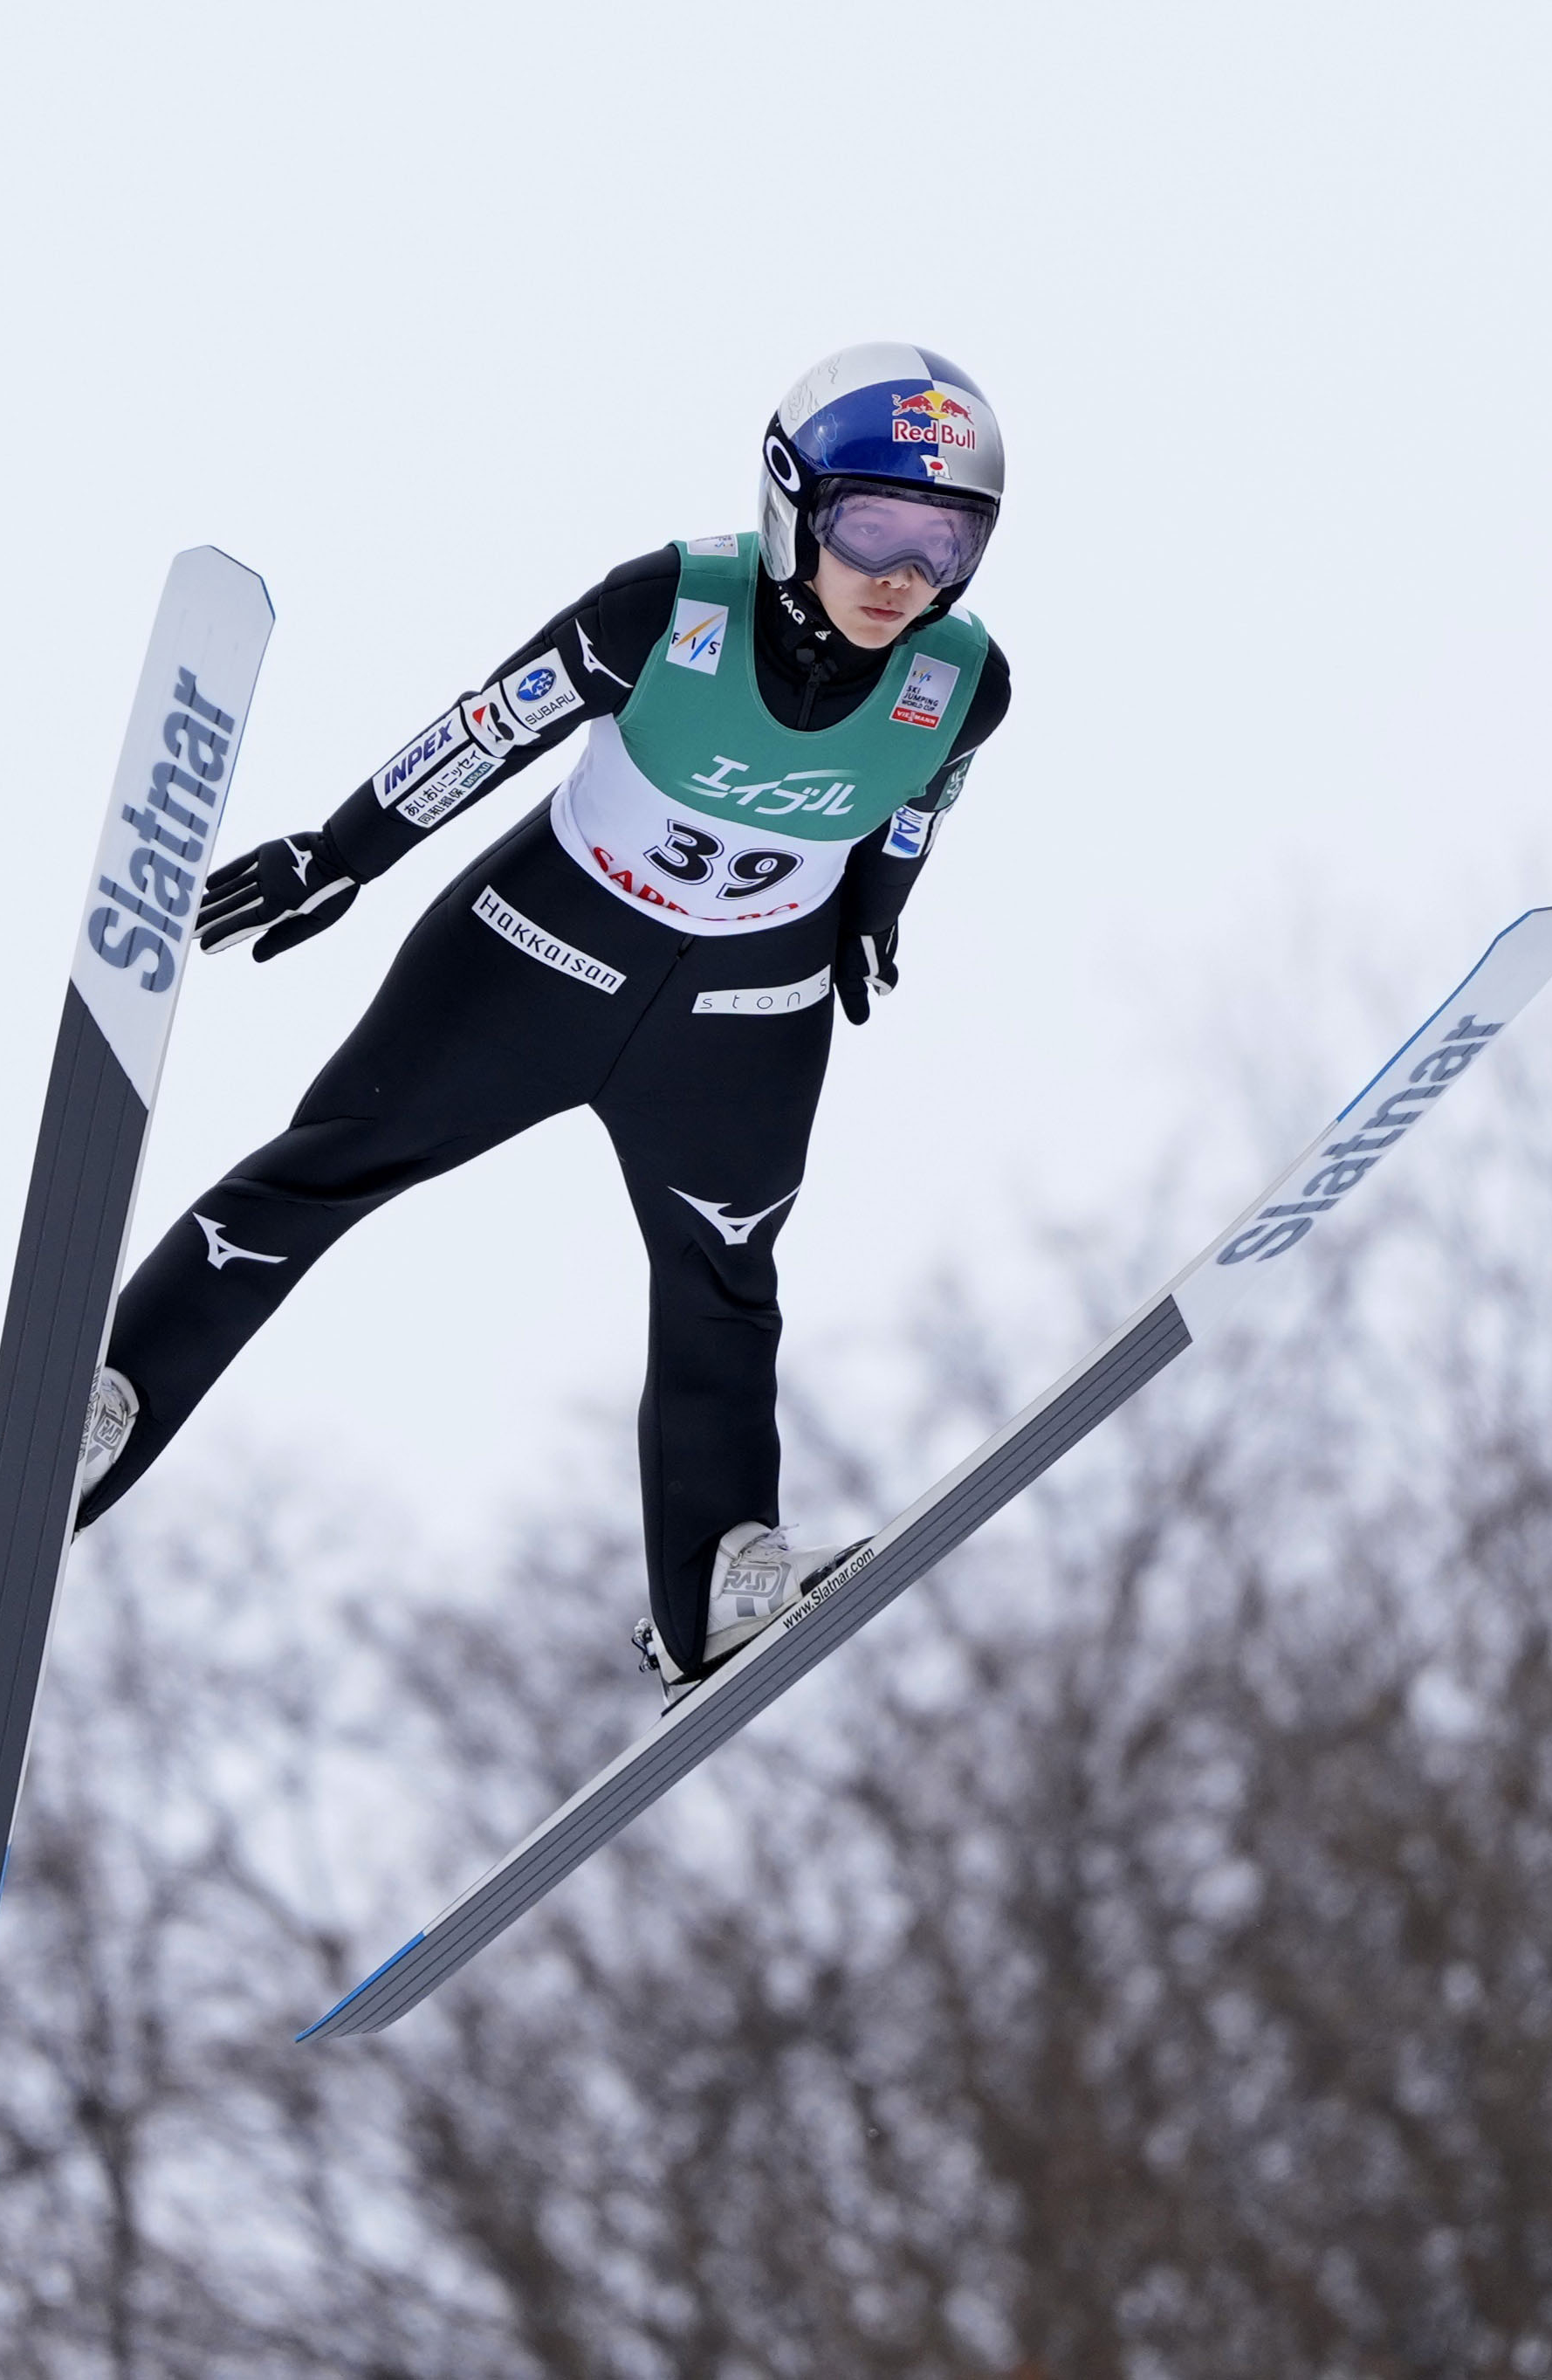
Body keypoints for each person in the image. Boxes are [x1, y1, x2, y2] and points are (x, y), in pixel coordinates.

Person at [77, 340, 1012, 1696]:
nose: (902, 577)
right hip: (533, 953)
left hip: (748, 1011)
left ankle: (714, 1581)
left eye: (946, 543)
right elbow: (487, 725)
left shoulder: (962, 679)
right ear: (791, 496)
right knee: (327, 1162)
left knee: (725, 1281)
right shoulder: (671, 606)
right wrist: (339, 854)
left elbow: (929, 790)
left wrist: (879, 907)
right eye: (874, 524)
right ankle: (104, 1405)